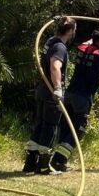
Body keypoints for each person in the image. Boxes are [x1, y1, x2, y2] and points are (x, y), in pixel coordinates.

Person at [49, 17, 99, 172]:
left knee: (66, 126)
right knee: (78, 131)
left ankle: (56, 160)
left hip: (69, 94)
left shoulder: (82, 48)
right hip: (83, 98)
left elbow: (92, 41)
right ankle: (58, 160)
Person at [22, 16, 77, 175]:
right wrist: (58, 88)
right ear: (69, 31)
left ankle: (30, 164)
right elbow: (55, 67)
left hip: (42, 91)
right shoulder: (60, 47)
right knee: (49, 128)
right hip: (51, 93)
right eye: (74, 29)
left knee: (39, 125)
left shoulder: (51, 41)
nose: (75, 32)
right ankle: (44, 166)